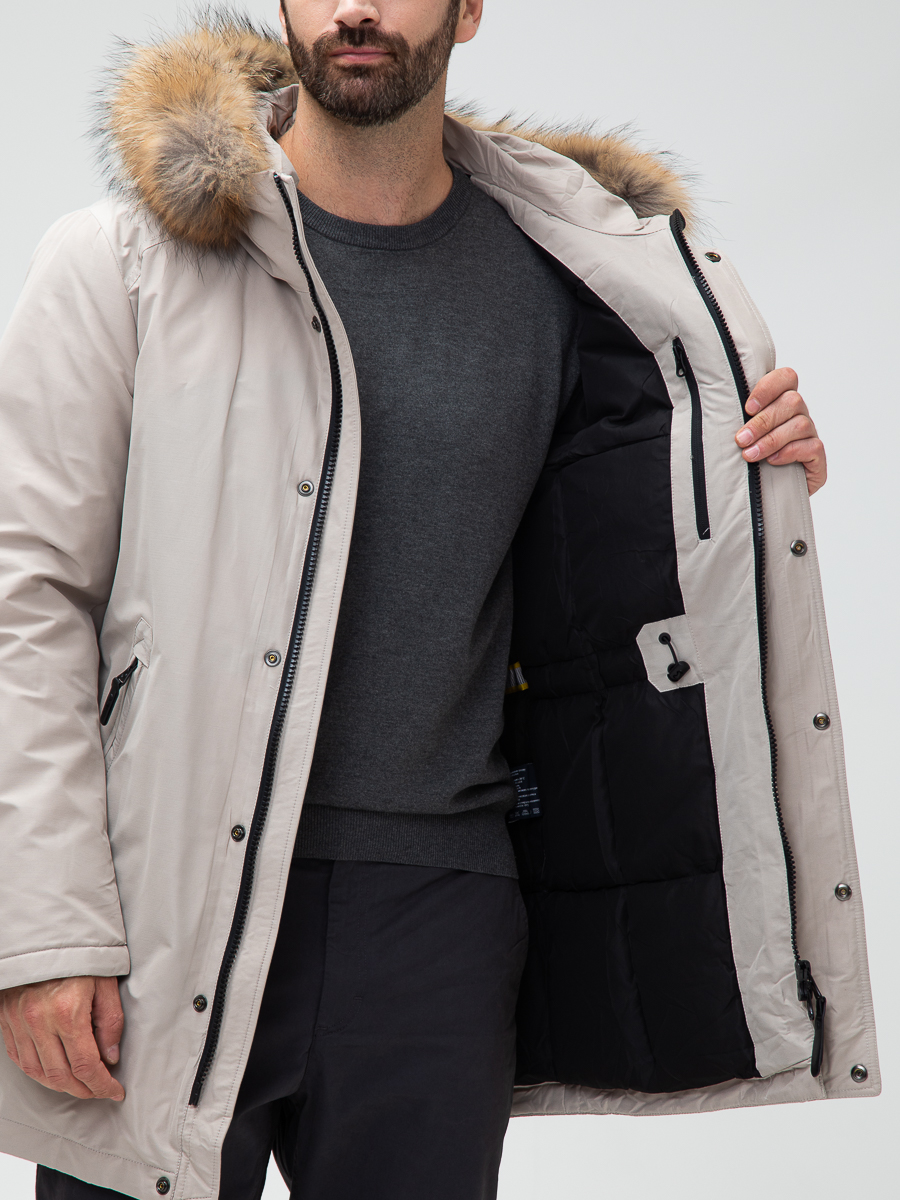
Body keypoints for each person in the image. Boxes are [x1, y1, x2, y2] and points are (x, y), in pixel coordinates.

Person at [0, 2, 879, 1199]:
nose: (356, 8)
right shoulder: (122, 261)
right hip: (162, 900)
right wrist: (46, 930)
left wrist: (757, 483)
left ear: (469, 10)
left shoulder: (577, 279)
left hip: (436, 920)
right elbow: (27, 599)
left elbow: (615, 580)